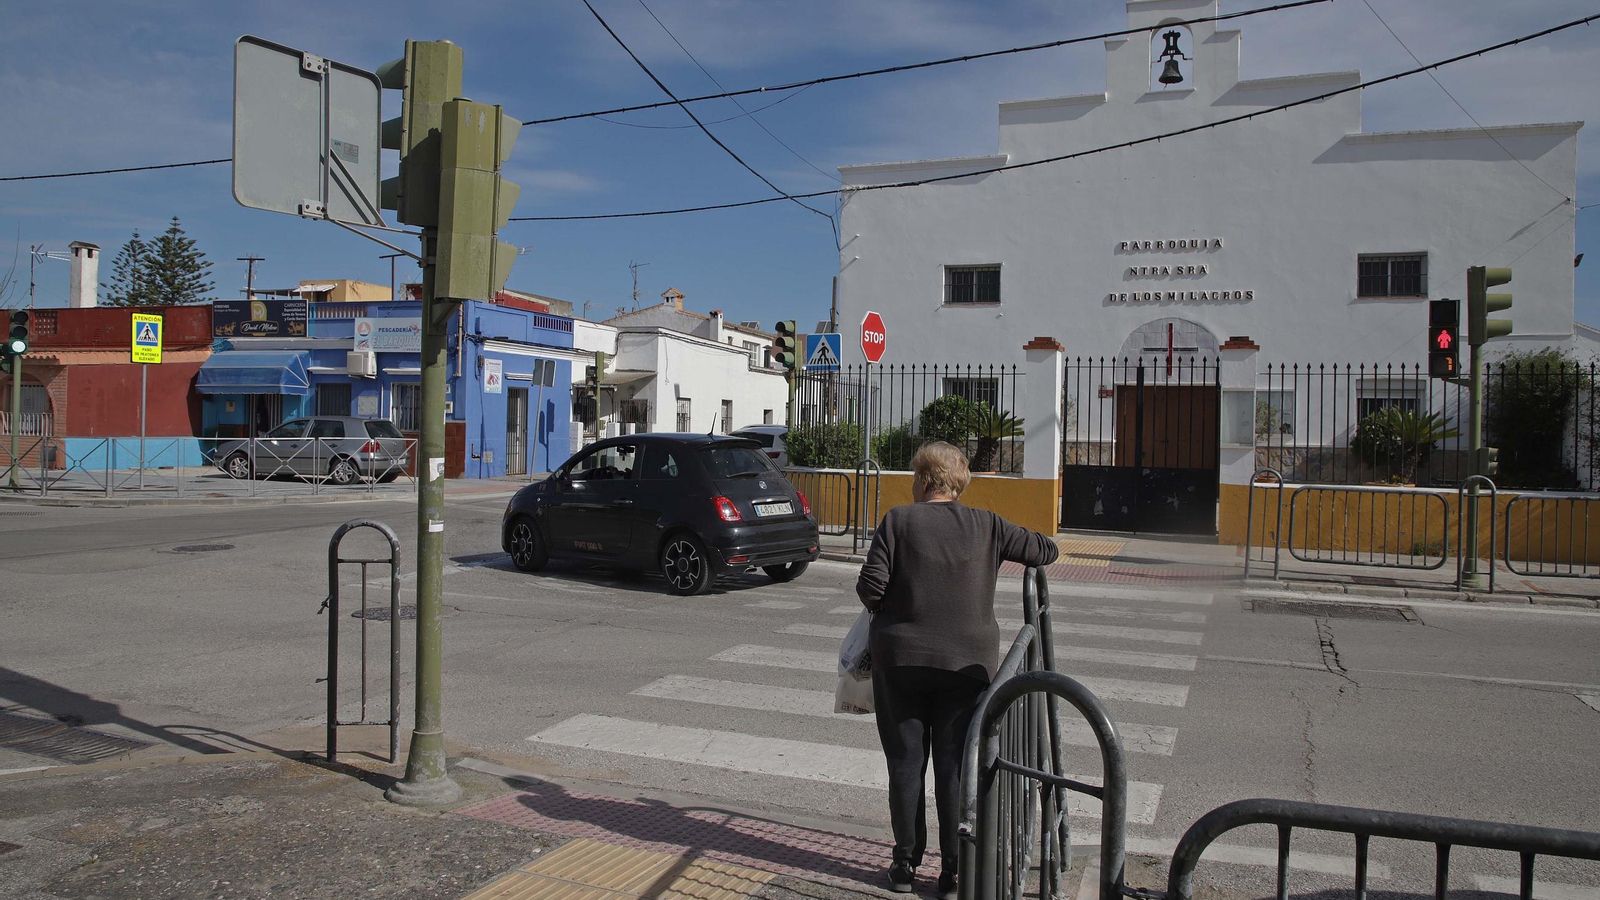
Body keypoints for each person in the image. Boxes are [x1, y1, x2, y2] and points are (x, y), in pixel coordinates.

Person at [855, 441, 1060, 898]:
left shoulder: (898, 521)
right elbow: (1045, 551)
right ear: (958, 481)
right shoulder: (987, 524)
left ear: (924, 480)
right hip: (966, 666)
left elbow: (870, 587)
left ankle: (905, 866)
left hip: (901, 661)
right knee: (952, 767)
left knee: (906, 765)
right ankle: (952, 873)